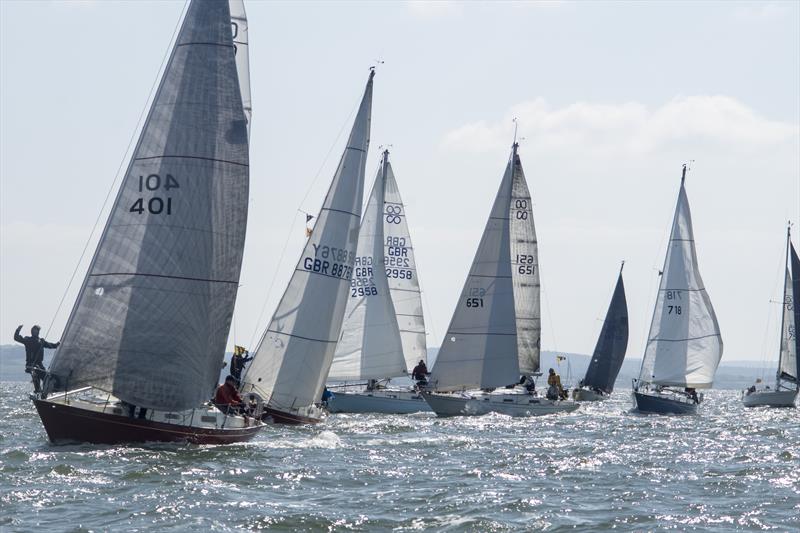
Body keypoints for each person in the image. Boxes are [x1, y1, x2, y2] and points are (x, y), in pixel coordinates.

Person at [14, 324, 59, 395]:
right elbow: (16, 338)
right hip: (31, 365)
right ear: (31, 331)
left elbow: (51, 345)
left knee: (47, 378)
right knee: (36, 377)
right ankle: (38, 392)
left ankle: (44, 394)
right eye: (34, 331)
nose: (35, 332)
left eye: (36, 331)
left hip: (40, 364)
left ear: (38, 332)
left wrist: (57, 344)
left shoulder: (41, 341)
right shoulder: (28, 340)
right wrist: (18, 330)